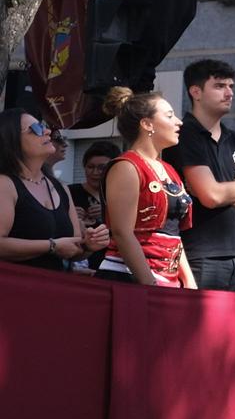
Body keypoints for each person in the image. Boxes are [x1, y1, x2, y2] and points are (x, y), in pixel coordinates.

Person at [163, 59, 235, 291]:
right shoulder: (182, 135)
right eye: (219, 86)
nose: (229, 93)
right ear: (196, 92)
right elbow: (211, 196)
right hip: (199, 255)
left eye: (231, 86)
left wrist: (219, 189)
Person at [98, 89, 196, 288]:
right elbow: (122, 232)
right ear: (146, 124)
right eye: (169, 116)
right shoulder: (126, 167)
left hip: (166, 279)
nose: (179, 122)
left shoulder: (168, 169)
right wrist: (150, 284)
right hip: (130, 278)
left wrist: (188, 281)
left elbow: (172, 233)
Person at [0, 109, 108, 272]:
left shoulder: (60, 188)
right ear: (11, 140)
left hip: (52, 289)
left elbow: (72, 250)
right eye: (36, 128)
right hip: (14, 288)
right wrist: (52, 246)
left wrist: (88, 246)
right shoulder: (5, 184)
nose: (47, 131)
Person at [69, 140, 118, 253]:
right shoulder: (68, 192)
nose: (95, 172)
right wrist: (69, 216)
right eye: (90, 167)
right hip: (79, 259)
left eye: (101, 167)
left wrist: (108, 214)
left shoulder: (121, 197)